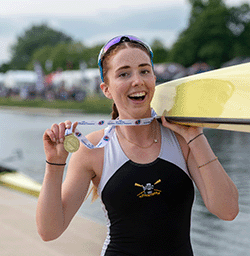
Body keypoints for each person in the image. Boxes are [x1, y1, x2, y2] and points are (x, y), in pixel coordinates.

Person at [36, 35, 239, 256]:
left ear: (154, 78)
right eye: (124, 74)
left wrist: (196, 137)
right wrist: (54, 163)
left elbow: (228, 210)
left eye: (144, 71)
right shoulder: (93, 150)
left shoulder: (182, 138)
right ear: (106, 89)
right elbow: (49, 231)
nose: (137, 81)